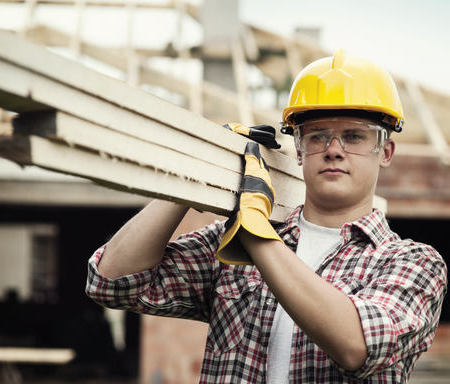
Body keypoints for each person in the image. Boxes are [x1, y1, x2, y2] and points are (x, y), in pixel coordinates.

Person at [86, 48, 447, 383]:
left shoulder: (413, 263)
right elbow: (111, 281)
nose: (334, 150)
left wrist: (255, 234)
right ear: (300, 151)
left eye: (354, 136)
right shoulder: (230, 240)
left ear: (385, 151)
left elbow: (358, 346)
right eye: (317, 136)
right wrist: (197, 177)